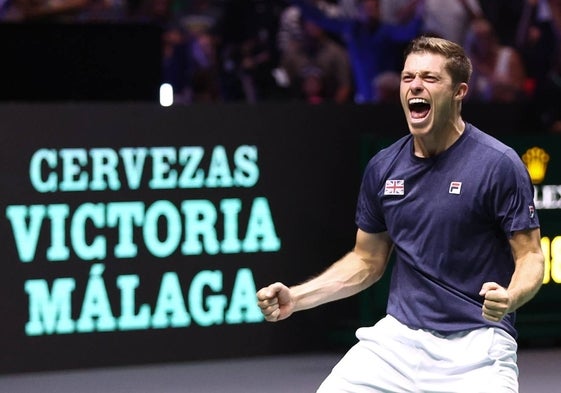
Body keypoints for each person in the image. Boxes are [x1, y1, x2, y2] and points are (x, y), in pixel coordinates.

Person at [257, 35, 544, 392]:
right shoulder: (384, 167)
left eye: (430, 78)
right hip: (398, 342)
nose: (415, 86)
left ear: (459, 91)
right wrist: (297, 298)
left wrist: (511, 296)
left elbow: (531, 255)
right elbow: (367, 260)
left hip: (478, 345)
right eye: (408, 78)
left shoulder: (498, 164)